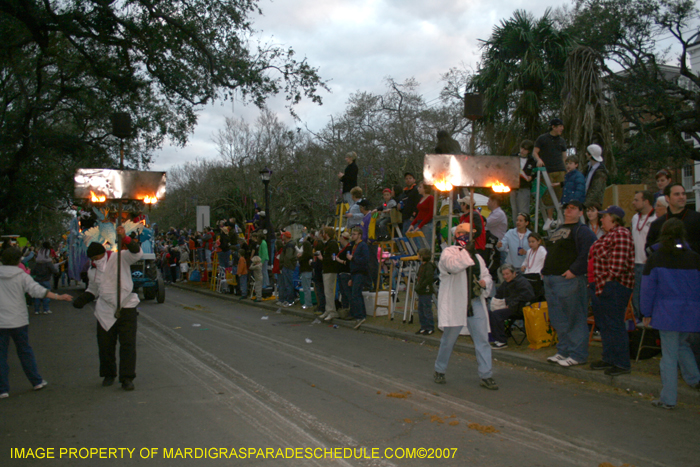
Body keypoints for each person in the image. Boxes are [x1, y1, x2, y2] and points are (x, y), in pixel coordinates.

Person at [72, 226, 143, 390]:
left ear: (103, 253)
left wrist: (125, 238)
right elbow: (93, 290)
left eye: (98, 257)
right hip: (105, 310)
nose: (96, 260)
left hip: (126, 305)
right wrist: (81, 300)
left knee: (128, 345)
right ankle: (108, 374)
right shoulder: (92, 271)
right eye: (93, 259)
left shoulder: (120, 258)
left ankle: (127, 378)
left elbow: (137, 252)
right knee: (105, 345)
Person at [641, 218, 700, 409]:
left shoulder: (656, 258)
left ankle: (668, 398)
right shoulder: (694, 257)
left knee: (669, 355)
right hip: (690, 311)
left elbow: (648, 288)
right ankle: (694, 379)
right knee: (682, 345)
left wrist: (646, 312)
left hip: (667, 313)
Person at [0, 247, 72, 398]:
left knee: (1, 356)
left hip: (1, 322)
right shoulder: (21, 276)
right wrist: (59, 297)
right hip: (18, 320)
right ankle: (36, 381)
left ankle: (3, 389)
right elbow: (37, 291)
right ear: (19, 260)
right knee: (25, 351)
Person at [433, 223, 498, 390]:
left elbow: (486, 275)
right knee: (448, 340)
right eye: (462, 233)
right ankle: (440, 369)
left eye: (468, 233)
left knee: (482, 340)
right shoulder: (449, 252)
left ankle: (486, 374)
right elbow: (452, 267)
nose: (465, 236)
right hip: (457, 303)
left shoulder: (478, 257)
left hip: (475, 302)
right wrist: (466, 253)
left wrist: (485, 282)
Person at [542, 200, 597, 368]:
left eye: (573, 208)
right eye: (566, 208)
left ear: (581, 212)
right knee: (559, 319)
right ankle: (564, 350)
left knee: (574, 317)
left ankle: (578, 354)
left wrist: (574, 270)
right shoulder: (559, 230)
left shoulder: (583, 231)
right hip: (551, 279)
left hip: (569, 280)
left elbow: (588, 252)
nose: (568, 211)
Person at [588, 206, 636, 376]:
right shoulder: (609, 235)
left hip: (615, 286)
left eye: (604, 217)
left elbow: (617, 266)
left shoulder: (621, 234)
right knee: (606, 324)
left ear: (614, 218)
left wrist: (607, 281)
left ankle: (621, 363)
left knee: (614, 324)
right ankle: (609, 358)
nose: (601, 220)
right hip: (603, 285)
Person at [488, 264, 536, 349]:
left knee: (496, 314)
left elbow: (529, 296)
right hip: (510, 306)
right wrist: (495, 301)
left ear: (514, 273)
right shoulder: (506, 283)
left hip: (519, 308)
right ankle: (496, 337)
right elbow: (499, 294)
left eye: (507, 274)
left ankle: (502, 341)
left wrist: (511, 303)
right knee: (490, 312)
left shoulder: (522, 282)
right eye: (503, 275)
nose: (505, 276)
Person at [646, 183, 700, 255]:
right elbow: (649, 250)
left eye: (683, 194)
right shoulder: (658, 223)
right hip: (666, 264)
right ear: (667, 198)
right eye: (677, 194)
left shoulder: (697, 219)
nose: (681, 197)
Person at [533, 118, 567, 230]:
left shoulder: (562, 141)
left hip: (560, 169)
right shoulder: (542, 138)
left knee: (560, 194)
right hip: (547, 170)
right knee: (548, 194)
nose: (561, 128)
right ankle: (550, 218)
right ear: (553, 127)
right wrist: (538, 160)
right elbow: (535, 152)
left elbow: (564, 156)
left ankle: (561, 218)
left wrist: (567, 168)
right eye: (559, 126)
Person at [630, 190, 656, 322]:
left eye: (636, 200)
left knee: (647, 293)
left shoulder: (656, 217)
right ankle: (637, 320)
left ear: (646, 201)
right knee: (636, 294)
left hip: (648, 263)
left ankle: (648, 317)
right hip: (635, 262)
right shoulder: (635, 218)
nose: (633, 202)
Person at [347, 227, 369, 329]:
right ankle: (361, 315)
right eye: (352, 234)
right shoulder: (354, 246)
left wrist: (353, 258)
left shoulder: (362, 245)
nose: (352, 236)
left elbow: (365, 259)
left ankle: (360, 316)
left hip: (360, 272)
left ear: (359, 235)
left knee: (356, 293)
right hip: (355, 272)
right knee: (356, 293)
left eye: (354, 234)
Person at [510, 139, 536, 225]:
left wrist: (531, 177)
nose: (522, 151)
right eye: (521, 148)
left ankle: (525, 229)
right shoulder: (513, 157)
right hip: (513, 187)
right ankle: (515, 229)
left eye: (525, 149)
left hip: (524, 187)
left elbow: (534, 173)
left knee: (523, 210)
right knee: (514, 210)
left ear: (528, 151)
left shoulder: (532, 161)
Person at [318, 227, 340, 321]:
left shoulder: (333, 244)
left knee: (329, 291)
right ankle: (328, 309)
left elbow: (333, 258)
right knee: (327, 291)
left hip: (330, 269)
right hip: (327, 269)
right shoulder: (328, 244)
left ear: (327, 234)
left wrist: (323, 259)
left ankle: (332, 311)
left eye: (323, 233)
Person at [414, 248, 435, 335]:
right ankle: (424, 326)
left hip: (425, 290)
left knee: (426, 309)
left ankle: (429, 327)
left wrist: (420, 286)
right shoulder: (423, 266)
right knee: (421, 309)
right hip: (422, 290)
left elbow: (428, 279)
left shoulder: (428, 266)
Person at [407, 182, 435, 247]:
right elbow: (420, 213)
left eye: (420, 187)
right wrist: (413, 224)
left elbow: (430, 214)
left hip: (427, 224)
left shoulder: (430, 198)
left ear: (425, 189)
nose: (418, 189)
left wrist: (420, 225)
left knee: (427, 245)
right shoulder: (421, 199)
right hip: (421, 224)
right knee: (422, 245)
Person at [278, 231, 297, 307]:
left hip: (288, 267)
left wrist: (284, 264)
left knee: (288, 284)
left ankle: (290, 300)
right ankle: (288, 299)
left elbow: (288, 257)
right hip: (288, 266)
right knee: (287, 283)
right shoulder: (289, 245)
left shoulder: (289, 246)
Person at [335, 231, 353, 314]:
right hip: (341, 272)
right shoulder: (343, 248)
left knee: (347, 292)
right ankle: (345, 308)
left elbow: (348, 262)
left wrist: (339, 260)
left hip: (345, 272)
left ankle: (351, 309)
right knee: (343, 292)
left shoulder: (348, 248)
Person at [298, 233, 314, 310]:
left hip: (305, 272)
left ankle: (308, 303)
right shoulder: (310, 254)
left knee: (306, 288)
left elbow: (301, 261)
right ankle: (308, 303)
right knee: (307, 288)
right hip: (308, 272)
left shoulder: (305, 255)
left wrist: (299, 257)